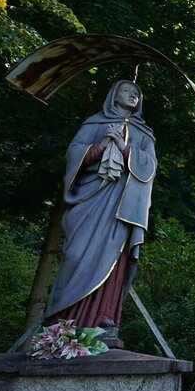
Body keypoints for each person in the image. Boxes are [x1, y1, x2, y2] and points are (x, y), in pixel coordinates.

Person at [45, 80, 156, 329]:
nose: (133, 96)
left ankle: (103, 317)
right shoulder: (94, 123)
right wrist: (102, 145)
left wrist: (125, 148)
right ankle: (62, 318)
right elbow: (73, 153)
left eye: (137, 93)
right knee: (75, 253)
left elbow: (149, 167)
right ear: (113, 96)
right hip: (90, 197)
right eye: (127, 91)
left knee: (113, 257)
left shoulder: (145, 133)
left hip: (121, 204)